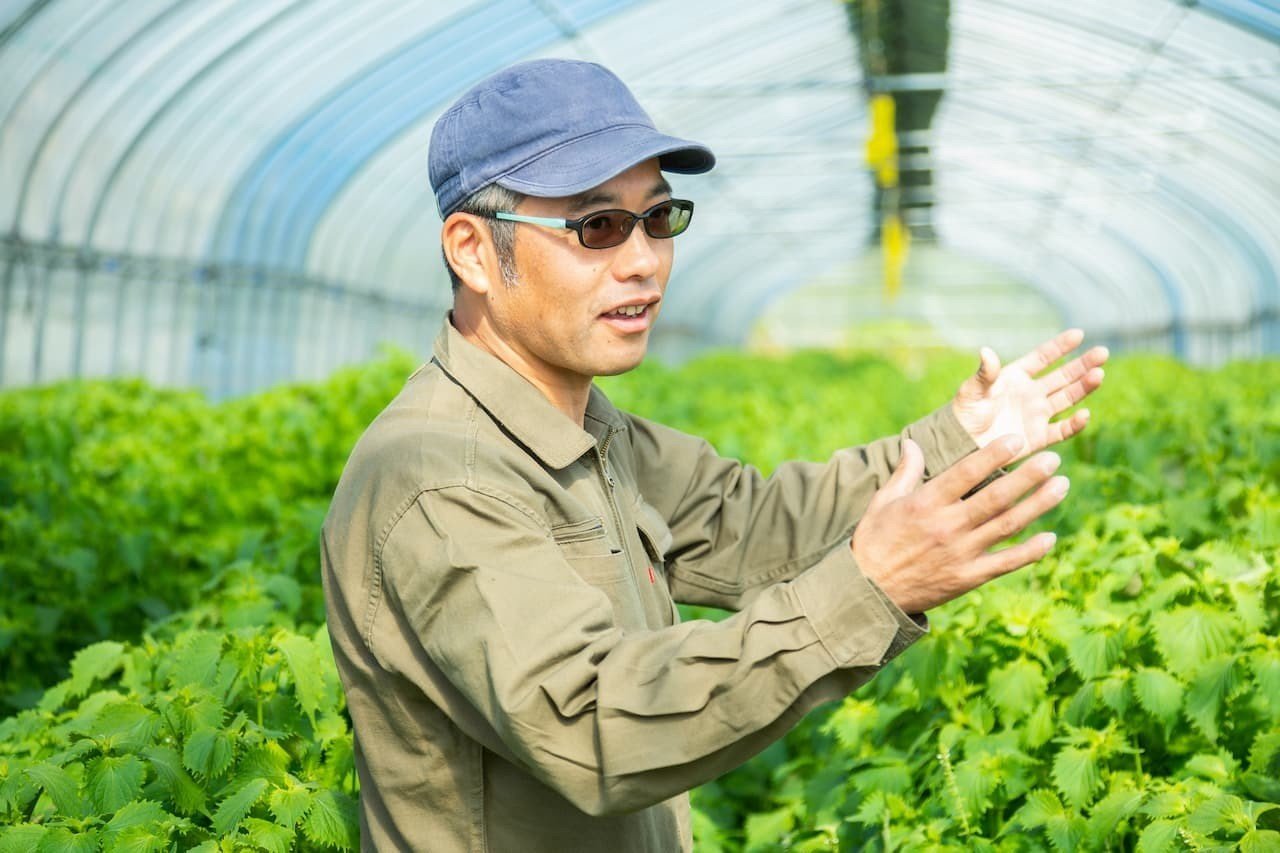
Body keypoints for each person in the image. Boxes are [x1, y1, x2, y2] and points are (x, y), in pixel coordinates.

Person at [320, 58, 1108, 852]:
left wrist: (957, 440)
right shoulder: (439, 476)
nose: (643, 261)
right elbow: (594, 723)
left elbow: (757, 523)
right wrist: (870, 586)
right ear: (472, 251)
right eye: (596, 226)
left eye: (658, 219)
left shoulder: (590, 431)